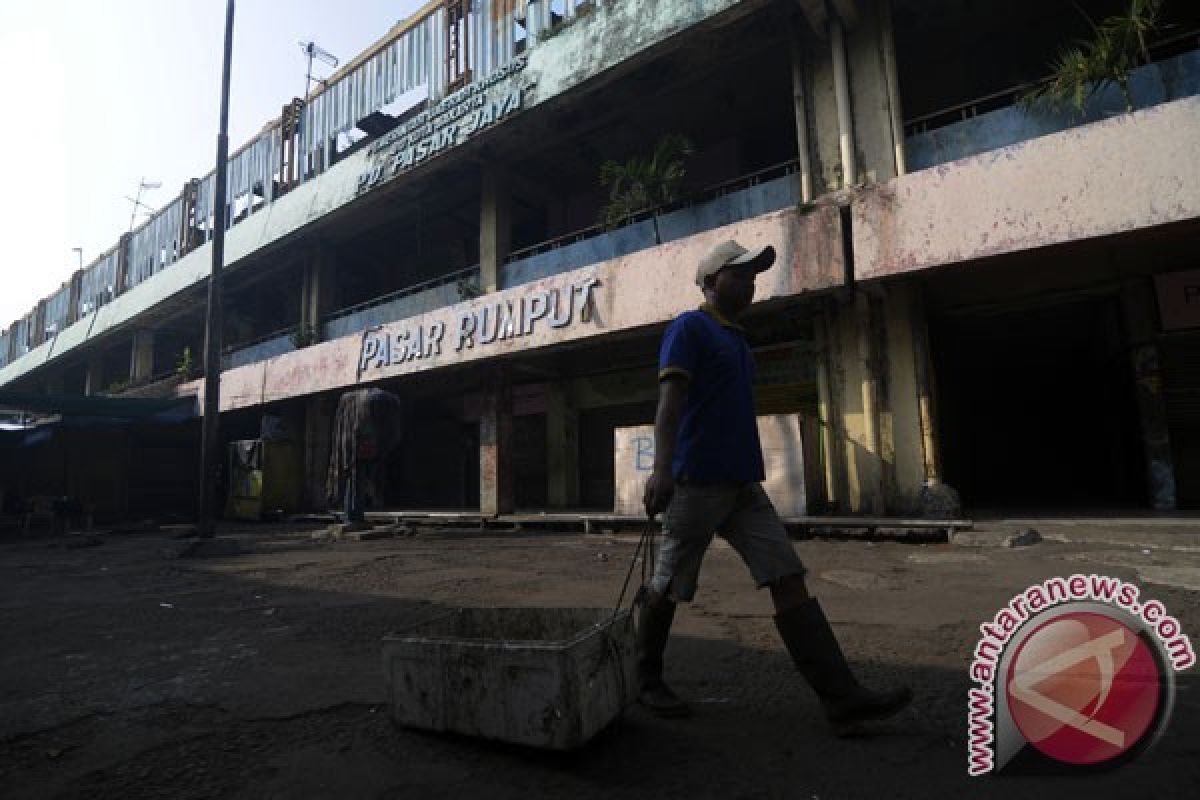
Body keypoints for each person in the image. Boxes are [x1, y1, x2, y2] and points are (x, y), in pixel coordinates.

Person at [639, 239, 912, 735]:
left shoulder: (739, 341)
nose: (750, 283)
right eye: (738, 274)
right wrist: (661, 469)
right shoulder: (689, 327)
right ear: (709, 280)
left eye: (754, 276)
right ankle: (645, 677)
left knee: (787, 578)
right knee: (668, 586)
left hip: (744, 485)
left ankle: (841, 699)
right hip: (696, 483)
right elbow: (670, 403)